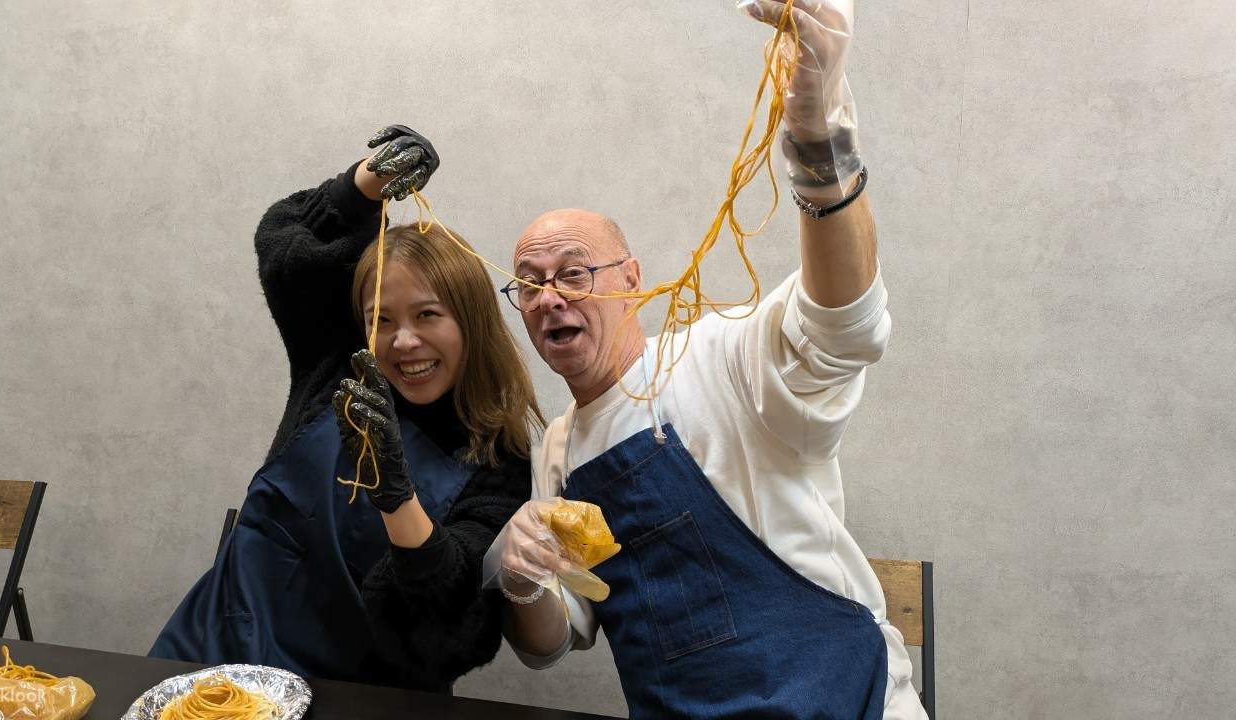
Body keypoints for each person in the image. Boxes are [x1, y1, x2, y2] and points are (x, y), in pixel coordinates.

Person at [488, 2, 927, 717]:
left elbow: (848, 326)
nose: (549, 299)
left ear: (632, 279)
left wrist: (819, 141)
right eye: (529, 284)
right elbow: (554, 639)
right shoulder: (561, 452)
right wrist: (518, 578)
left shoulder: (719, 355)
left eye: (574, 273)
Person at [150, 125, 543, 692]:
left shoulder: (502, 461)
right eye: (380, 319)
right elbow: (282, 244)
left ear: (473, 322)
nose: (402, 341)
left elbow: (451, 638)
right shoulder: (336, 368)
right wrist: (369, 183)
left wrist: (396, 498)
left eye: (427, 315)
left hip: (356, 697)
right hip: (209, 660)